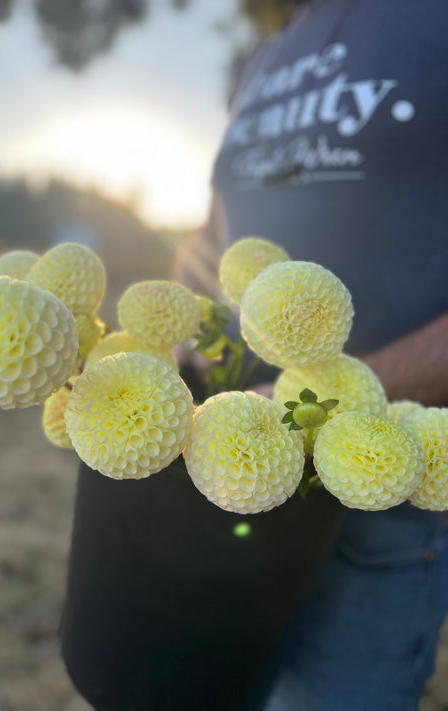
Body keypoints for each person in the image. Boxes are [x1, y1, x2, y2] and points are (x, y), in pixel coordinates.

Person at [61, 1, 448, 709]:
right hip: (217, 478)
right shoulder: (267, 54)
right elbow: (213, 235)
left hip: (376, 505)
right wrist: (176, 333)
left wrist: (344, 395)